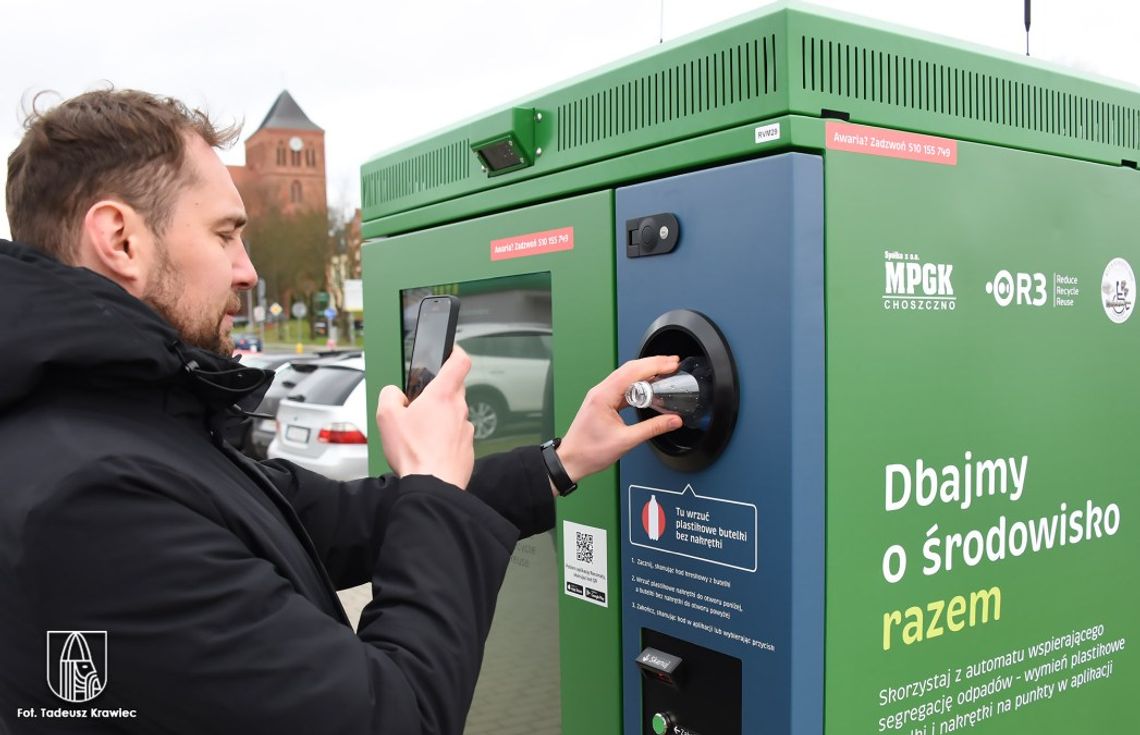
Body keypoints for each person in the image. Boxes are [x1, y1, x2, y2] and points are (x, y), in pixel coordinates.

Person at [0, 89, 682, 734]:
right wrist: (433, 483)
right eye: (225, 234)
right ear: (121, 239)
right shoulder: (90, 503)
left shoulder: (135, 433)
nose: (247, 270)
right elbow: (394, 716)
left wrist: (561, 461)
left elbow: (354, 517)